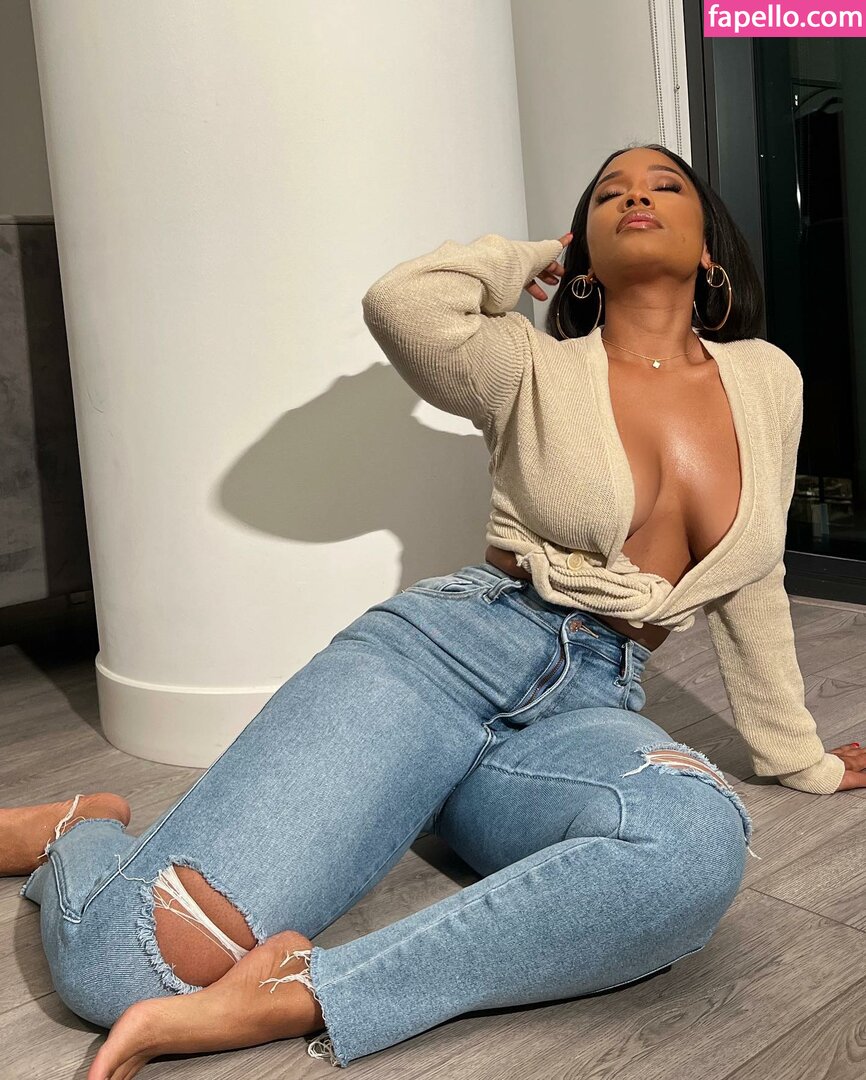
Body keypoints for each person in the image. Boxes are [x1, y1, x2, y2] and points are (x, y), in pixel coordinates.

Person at [3, 143, 864, 1080]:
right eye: (610, 194)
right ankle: (76, 835)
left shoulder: (767, 380)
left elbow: (754, 581)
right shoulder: (525, 365)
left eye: (665, 185)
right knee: (124, 966)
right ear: (582, 254)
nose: (636, 197)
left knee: (694, 844)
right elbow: (402, 303)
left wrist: (797, 756)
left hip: (589, 706)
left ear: (709, 249)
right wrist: (532, 255)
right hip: (445, 655)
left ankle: (310, 990)